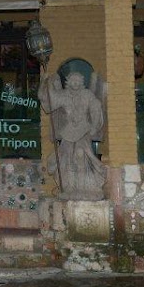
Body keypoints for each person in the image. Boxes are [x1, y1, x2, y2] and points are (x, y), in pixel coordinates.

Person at [39, 70, 106, 200]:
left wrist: (94, 125)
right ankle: (70, 187)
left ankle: (84, 187)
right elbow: (49, 100)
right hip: (68, 132)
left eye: (78, 80)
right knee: (68, 159)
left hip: (83, 130)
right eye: (73, 80)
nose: (75, 83)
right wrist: (45, 83)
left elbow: (96, 106)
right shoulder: (64, 95)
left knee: (80, 155)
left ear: (82, 82)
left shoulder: (87, 94)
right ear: (68, 82)